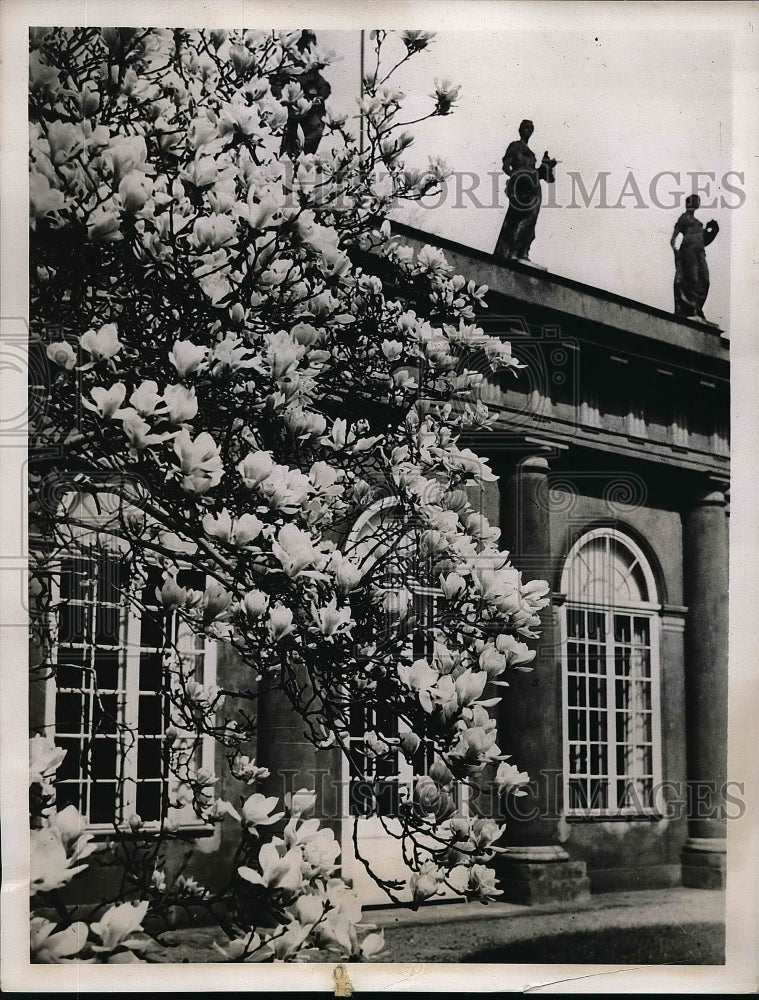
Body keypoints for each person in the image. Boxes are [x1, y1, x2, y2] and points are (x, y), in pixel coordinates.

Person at [494, 119, 557, 264]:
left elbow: (536, 173)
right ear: (520, 129)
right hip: (520, 188)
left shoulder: (532, 154)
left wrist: (545, 166)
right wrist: (516, 178)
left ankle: (523, 251)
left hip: (534, 189)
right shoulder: (515, 146)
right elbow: (506, 167)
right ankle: (512, 251)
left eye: (531, 128)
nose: (529, 130)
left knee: (531, 219)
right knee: (518, 218)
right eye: (526, 128)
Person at [270, 31, 331, 158]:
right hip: (295, 116)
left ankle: (302, 161)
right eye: (308, 48)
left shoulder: (313, 72)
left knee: (309, 143)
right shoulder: (289, 68)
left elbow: (324, 86)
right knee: (289, 152)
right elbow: (276, 85)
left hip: (310, 117)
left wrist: (319, 97)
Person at [670, 194, 719, 322]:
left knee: (705, 280)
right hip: (688, 251)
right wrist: (677, 252)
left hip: (699, 253)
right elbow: (673, 239)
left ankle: (696, 307)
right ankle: (690, 309)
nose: (698, 202)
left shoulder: (698, 224)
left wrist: (712, 231)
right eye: (697, 200)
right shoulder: (684, 218)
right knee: (692, 278)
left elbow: (704, 240)